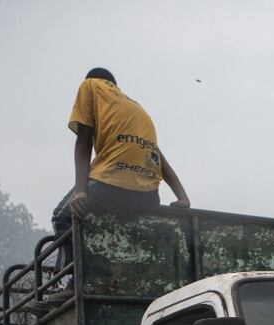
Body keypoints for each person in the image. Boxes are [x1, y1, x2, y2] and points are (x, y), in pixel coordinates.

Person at [51, 67, 190, 236]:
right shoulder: (135, 107)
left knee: (61, 217)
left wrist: (80, 191)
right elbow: (159, 158)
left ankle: (81, 263)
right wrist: (183, 197)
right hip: (148, 196)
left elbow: (83, 141)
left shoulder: (90, 85)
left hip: (109, 185)